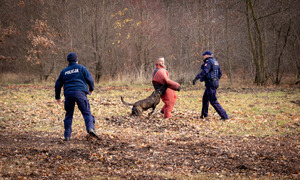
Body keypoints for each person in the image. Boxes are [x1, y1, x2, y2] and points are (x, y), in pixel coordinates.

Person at [55, 52, 98, 141]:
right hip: (80, 93)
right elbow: (90, 79)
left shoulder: (64, 71)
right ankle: (90, 128)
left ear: (68, 61)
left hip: (69, 94)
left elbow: (58, 84)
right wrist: (91, 89)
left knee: (69, 114)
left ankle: (67, 135)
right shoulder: (81, 68)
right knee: (86, 112)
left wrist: (57, 97)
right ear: (76, 60)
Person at [193, 50, 229, 121]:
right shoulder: (215, 62)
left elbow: (205, 71)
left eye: (204, 55)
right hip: (214, 83)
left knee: (213, 100)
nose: (203, 56)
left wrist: (196, 78)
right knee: (205, 99)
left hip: (211, 83)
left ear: (207, 55)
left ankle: (224, 115)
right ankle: (204, 114)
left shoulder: (208, 62)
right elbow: (220, 74)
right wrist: (216, 80)